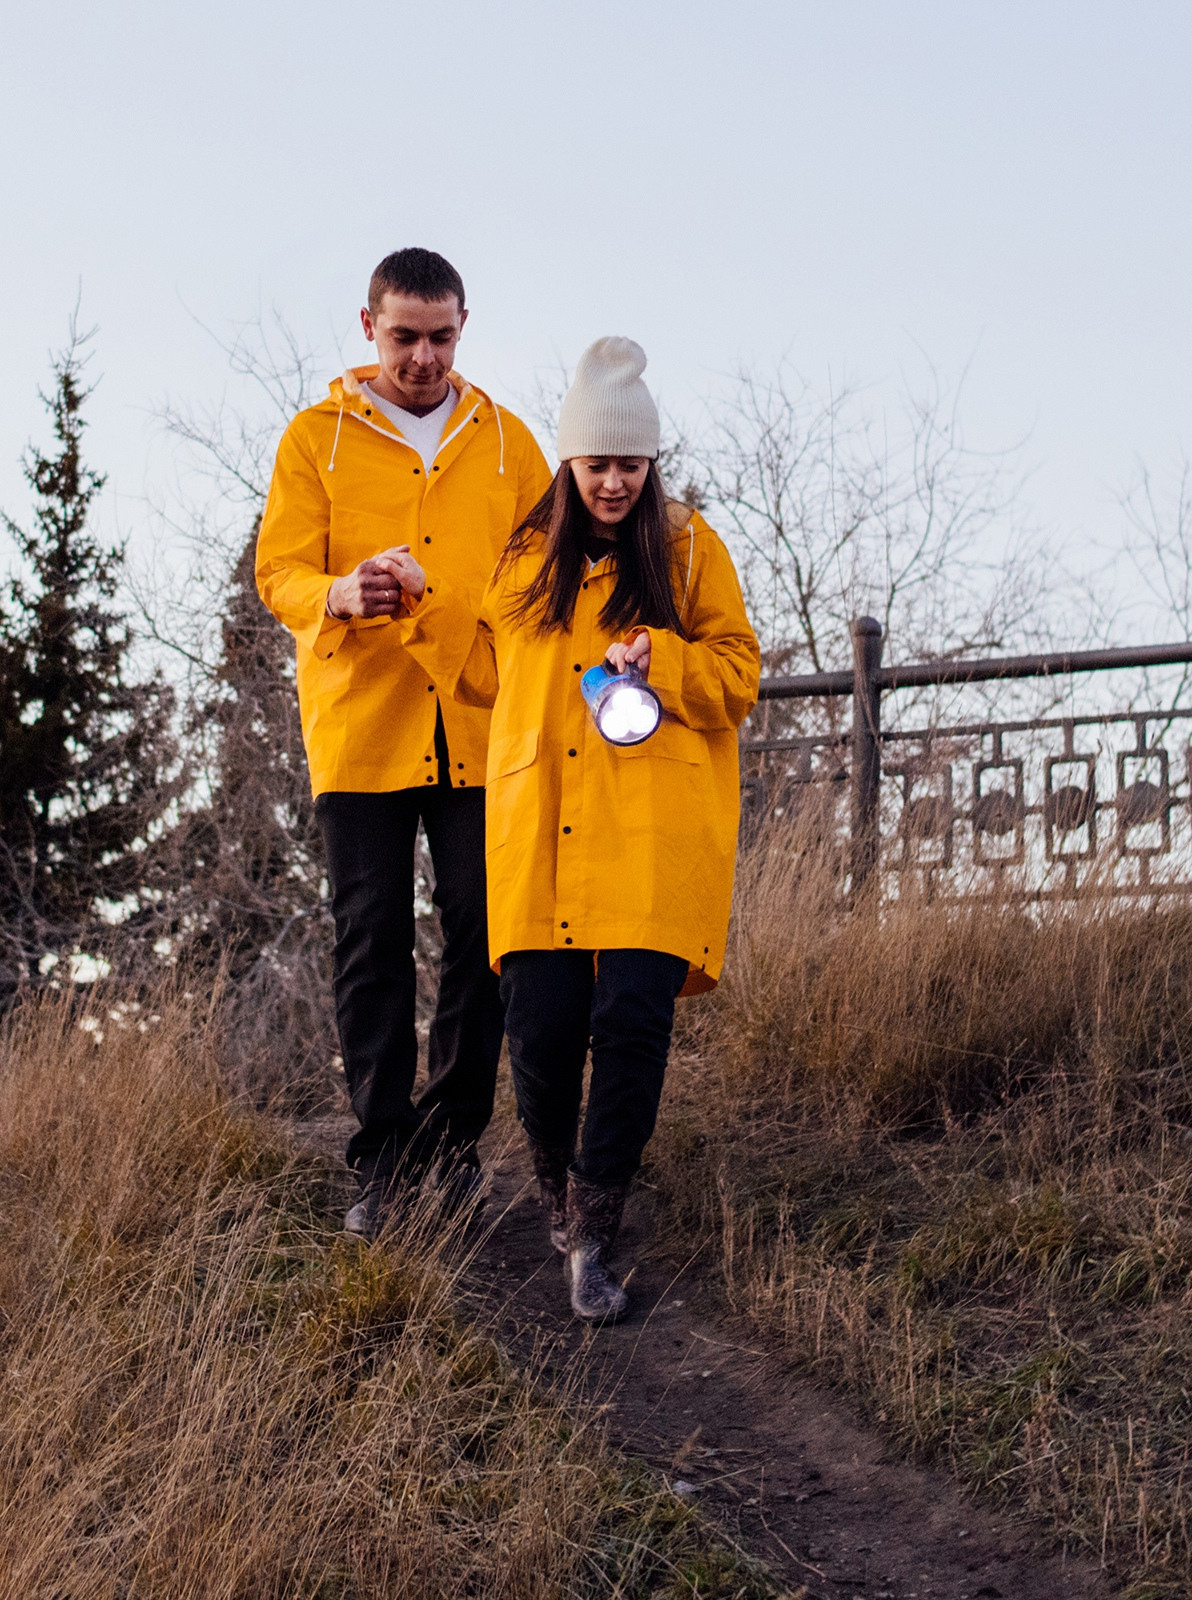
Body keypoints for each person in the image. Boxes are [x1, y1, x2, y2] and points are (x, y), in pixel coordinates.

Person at [381, 336, 760, 1319]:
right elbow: (481, 676)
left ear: (651, 463)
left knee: (632, 1023)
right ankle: (557, 1190)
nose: (612, 483)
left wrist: (665, 662)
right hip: (540, 834)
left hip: (649, 831)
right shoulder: (522, 564)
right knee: (542, 1036)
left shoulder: (686, 549)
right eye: (596, 464)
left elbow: (738, 674)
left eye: (630, 464)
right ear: (568, 462)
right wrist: (421, 613)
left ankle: (595, 1228)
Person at [254, 249, 552, 1236]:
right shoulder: (316, 440)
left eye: (441, 336)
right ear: (367, 327)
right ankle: (381, 1154)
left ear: (464, 326)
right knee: (370, 944)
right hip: (361, 730)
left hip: (481, 727)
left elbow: (539, 585)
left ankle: (451, 1139)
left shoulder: (510, 446)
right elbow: (280, 571)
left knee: (484, 938)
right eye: (403, 336)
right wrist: (337, 593)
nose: (422, 356)